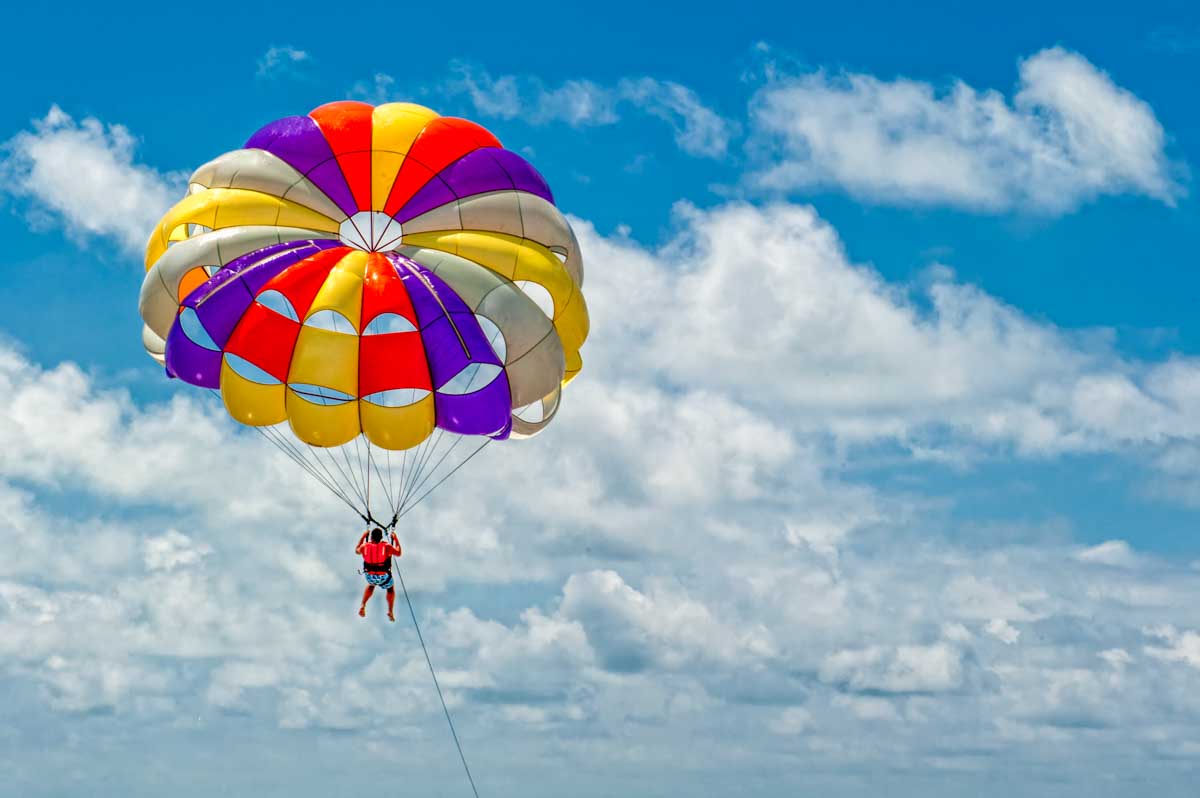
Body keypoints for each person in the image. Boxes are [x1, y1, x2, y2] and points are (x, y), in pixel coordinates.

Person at [356, 527, 402, 621]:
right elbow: (398, 553)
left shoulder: (365, 546)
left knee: (371, 585)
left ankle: (363, 605)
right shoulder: (387, 547)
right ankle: (390, 611)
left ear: (371, 537)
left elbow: (357, 550)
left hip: (370, 576)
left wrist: (363, 536)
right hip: (383, 576)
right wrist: (396, 539)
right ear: (381, 538)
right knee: (390, 589)